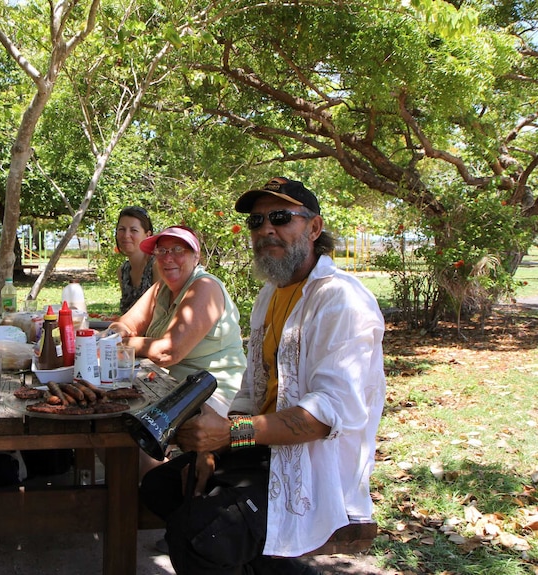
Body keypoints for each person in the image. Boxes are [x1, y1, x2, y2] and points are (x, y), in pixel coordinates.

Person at [140, 177, 386, 575]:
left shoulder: (341, 299)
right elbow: (255, 389)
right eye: (257, 222)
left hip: (312, 468)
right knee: (161, 487)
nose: (266, 229)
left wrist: (230, 435)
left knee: (200, 533)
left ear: (314, 228)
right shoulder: (270, 294)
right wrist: (211, 446)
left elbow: (326, 415)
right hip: (263, 450)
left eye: (281, 217)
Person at [108, 225, 246, 418]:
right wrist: (116, 333)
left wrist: (121, 343)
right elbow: (124, 324)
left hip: (215, 396)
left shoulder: (205, 287)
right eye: (161, 251)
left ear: (196, 256)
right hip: (170, 388)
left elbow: (168, 351)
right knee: (114, 409)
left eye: (178, 250)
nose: (168, 257)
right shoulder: (161, 288)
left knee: (133, 424)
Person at [115, 206, 160, 314]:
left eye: (133, 230)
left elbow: (159, 313)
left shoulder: (157, 266)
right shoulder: (122, 271)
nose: (126, 235)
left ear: (147, 235)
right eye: (122, 229)